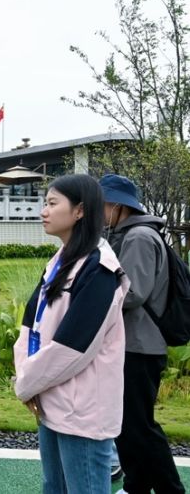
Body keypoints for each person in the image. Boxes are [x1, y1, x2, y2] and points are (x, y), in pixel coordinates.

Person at [13, 174, 129, 493]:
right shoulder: (60, 261)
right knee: (55, 487)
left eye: (52, 203)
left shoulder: (100, 269)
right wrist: (27, 379)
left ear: (79, 211)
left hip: (82, 410)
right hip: (49, 397)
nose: (43, 211)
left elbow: (73, 348)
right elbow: (29, 324)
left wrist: (26, 384)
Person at [99, 174, 186, 494]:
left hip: (139, 344)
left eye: (103, 204)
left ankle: (170, 489)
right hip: (137, 343)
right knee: (129, 424)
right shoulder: (134, 234)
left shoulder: (137, 237)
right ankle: (137, 485)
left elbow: (131, 294)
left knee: (139, 426)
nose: (99, 211)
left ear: (118, 206)